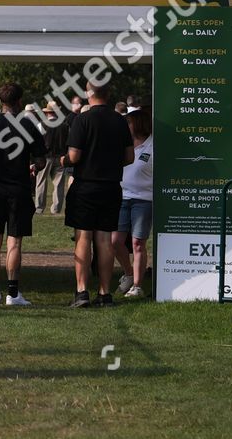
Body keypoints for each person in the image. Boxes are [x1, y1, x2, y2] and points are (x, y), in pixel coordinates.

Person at [0, 83, 46, 307]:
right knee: (15, 241)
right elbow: (41, 160)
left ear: (0, 102)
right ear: (19, 101)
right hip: (19, 189)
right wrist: (32, 167)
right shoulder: (28, 125)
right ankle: (13, 293)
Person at [66, 83, 134, 307]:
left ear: (89, 94)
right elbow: (130, 157)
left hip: (85, 185)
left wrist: (64, 160)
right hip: (111, 186)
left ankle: (82, 291)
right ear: (109, 93)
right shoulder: (120, 121)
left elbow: (74, 156)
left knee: (83, 237)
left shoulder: (82, 120)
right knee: (105, 240)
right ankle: (105, 293)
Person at [113, 109, 154, 298]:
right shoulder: (123, 144)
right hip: (122, 198)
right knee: (115, 242)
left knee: (138, 242)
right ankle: (129, 274)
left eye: (128, 123)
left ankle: (137, 286)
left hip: (144, 200)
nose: (125, 127)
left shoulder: (153, 145)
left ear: (138, 124)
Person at [35, 100, 70, 215]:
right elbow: (68, 142)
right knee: (59, 184)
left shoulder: (42, 125)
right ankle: (56, 209)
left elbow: (36, 141)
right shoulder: (65, 126)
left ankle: (39, 208)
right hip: (60, 157)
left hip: (45, 157)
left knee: (41, 182)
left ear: (47, 113)